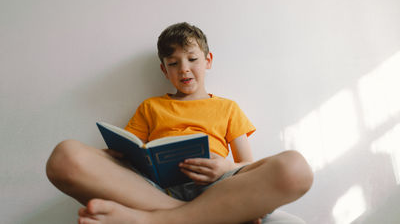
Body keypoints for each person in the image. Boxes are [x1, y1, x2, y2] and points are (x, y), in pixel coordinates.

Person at [46, 22, 313, 224]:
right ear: (164, 70)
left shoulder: (227, 107)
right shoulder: (151, 107)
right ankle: (202, 217)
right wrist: (108, 156)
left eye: (192, 59)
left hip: (219, 188)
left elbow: (248, 165)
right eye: (173, 63)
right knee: (64, 157)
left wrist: (225, 166)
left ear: (207, 61)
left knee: (296, 168)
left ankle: (156, 220)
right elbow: (129, 154)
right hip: (156, 191)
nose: (184, 68)